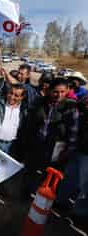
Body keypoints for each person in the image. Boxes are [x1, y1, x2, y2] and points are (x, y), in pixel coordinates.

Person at [21, 77, 79, 200]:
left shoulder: (71, 108)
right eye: (56, 92)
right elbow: (29, 124)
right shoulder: (39, 102)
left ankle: (41, 195)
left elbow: (73, 133)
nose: (59, 95)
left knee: (47, 174)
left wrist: (67, 151)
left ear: (68, 90)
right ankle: (26, 192)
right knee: (31, 169)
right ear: (49, 90)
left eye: (63, 92)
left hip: (55, 149)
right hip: (36, 144)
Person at [54, 95, 88, 230]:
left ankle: (75, 212)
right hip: (81, 151)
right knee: (77, 181)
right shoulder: (82, 108)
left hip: (81, 150)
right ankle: (73, 211)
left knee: (79, 183)